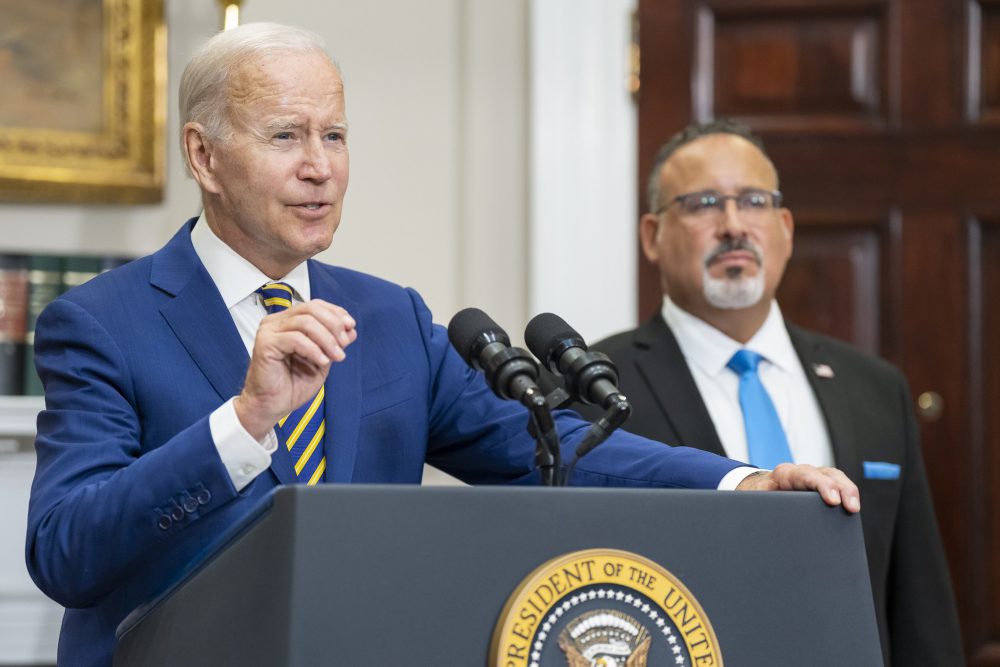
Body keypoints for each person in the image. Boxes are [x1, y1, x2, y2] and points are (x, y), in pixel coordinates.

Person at [24, 27, 859, 665]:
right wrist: (244, 423)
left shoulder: (391, 319)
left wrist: (743, 479)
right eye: (287, 137)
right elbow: (66, 551)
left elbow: (550, 444)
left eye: (336, 136)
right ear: (204, 156)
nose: (321, 167)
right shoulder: (100, 321)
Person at [580, 119, 963, 665]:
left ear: (784, 226)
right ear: (652, 236)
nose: (733, 225)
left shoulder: (874, 388)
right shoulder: (594, 387)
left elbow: (918, 604)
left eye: (753, 201)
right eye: (703, 203)